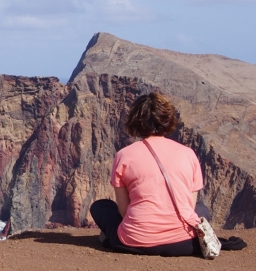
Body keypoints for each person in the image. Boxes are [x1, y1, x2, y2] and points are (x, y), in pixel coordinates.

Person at [89, 92, 211, 256]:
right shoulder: (188, 154)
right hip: (185, 244)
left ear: (135, 121)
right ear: (167, 119)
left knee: (100, 206)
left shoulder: (124, 156)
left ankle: (109, 238)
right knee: (202, 209)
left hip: (136, 242)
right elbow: (189, 207)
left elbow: (124, 212)